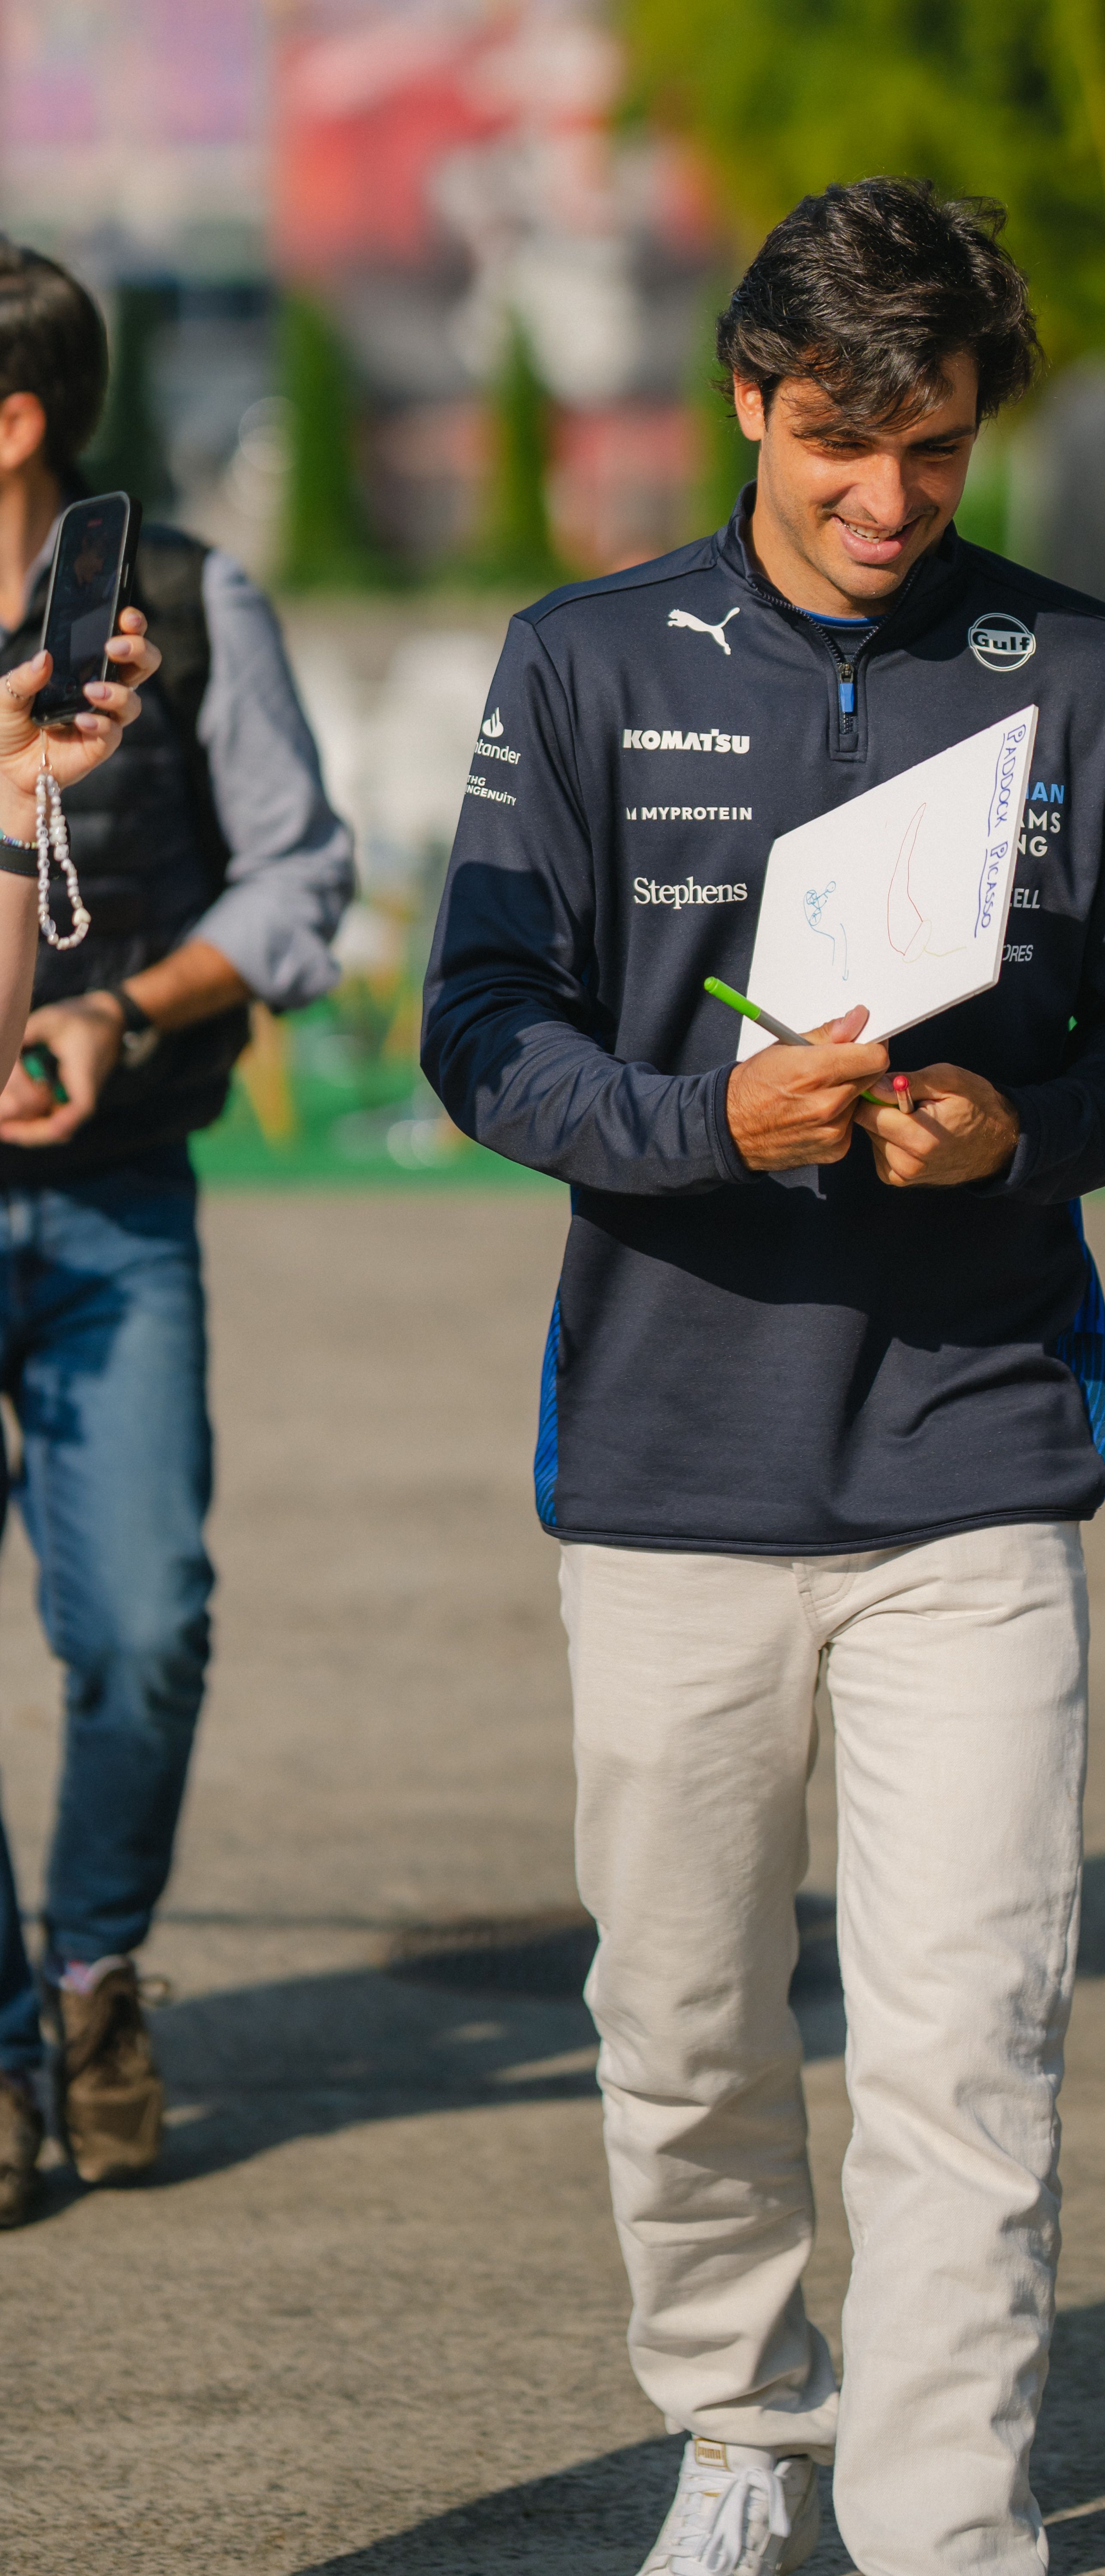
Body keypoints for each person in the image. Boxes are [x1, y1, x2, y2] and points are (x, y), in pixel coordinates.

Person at [422, 179, 1105, 2576]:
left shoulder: (1082, 671)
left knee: (968, 2046)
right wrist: (702, 1124)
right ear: (753, 404)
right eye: (845, 449)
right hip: (671, 1461)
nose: (892, 505)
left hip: (977, 1460)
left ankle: (947, 2526)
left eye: (943, 457)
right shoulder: (582, 662)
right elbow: (475, 1026)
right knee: (682, 2038)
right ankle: (747, 2428)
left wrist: (1022, 1131)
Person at [0, 241, 353, 2229]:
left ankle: (93, 1973)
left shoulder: (195, 614)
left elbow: (306, 876)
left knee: (141, 1621)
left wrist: (122, 1007)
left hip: (116, 1188)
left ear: (19, 421)